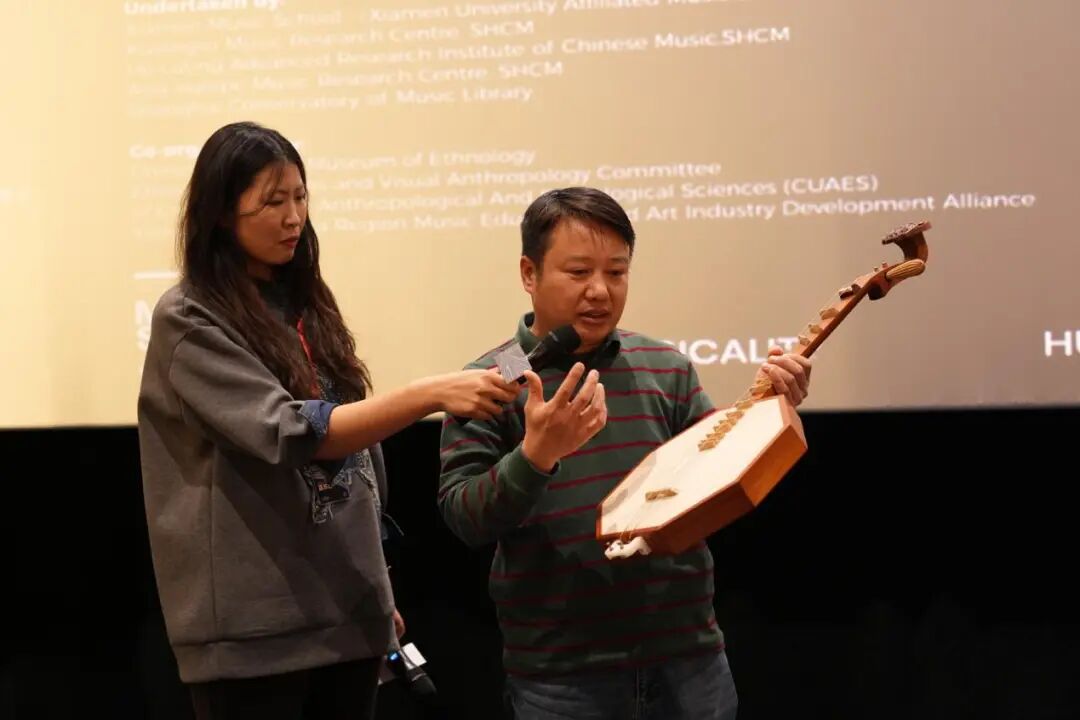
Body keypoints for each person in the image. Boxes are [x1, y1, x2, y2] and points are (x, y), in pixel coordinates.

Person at [136, 120, 519, 720]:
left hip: (348, 616)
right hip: (256, 634)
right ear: (221, 214)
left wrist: (375, 586)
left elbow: (359, 462)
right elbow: (294, 433)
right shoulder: (189, 317)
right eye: (272, 202)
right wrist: (428, 394)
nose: (294, 217)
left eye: (300, 196)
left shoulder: (305, 301)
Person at [437, 187, 812, 719]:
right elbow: (465, 518)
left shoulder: (665, 367)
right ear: (529, 273)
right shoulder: (492, 381)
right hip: (562, 677)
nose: (600, 291)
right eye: (578, 272)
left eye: (617, 272)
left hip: (689, 660)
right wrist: (535, 455)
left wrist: (768, 409)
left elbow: (719, 482)